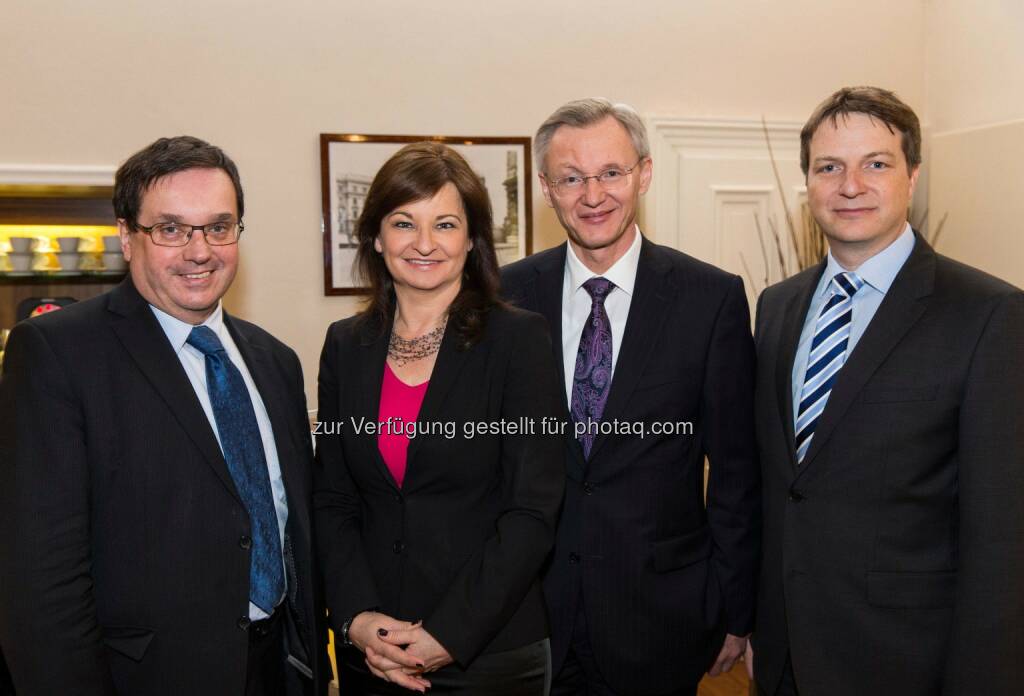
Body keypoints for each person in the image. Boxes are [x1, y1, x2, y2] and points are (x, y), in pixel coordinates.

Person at [0, 136, 328, 696]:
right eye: (171, 229)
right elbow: (40, 581)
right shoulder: (57, 353)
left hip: (281, 666)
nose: (199, 251)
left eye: (219, 227)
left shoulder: (276, 361)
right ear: (127, 237)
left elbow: (292, 523)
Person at [750, 86, 1024, 696]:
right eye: (829, 167)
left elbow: (1001, 533)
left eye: (876, 163)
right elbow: (785, 488)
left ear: (913, 175)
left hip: (908, 662)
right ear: (809, 182)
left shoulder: (988, 314)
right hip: (786, 656)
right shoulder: (777, 306)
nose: (851, 185)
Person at [502, 98, 760, 695]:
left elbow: (736, 473)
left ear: (643, 173)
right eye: (572, 178)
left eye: (611, 173)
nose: (593, 195)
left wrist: (734, 607)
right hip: (529, 618)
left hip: (662, 619)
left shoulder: (709, 299)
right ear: (546, 188)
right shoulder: (506, 296)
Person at [314, 142, 565, 694]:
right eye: (405, 222)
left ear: (471, 240)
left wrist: (448, 634)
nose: (424, 243)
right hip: (374, 652)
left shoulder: (518, 341)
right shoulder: (346, 346)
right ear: (377, 238)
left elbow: (532, 510)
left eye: (445, 224)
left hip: (487, 654)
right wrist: (357, 620)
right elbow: (333, 499)